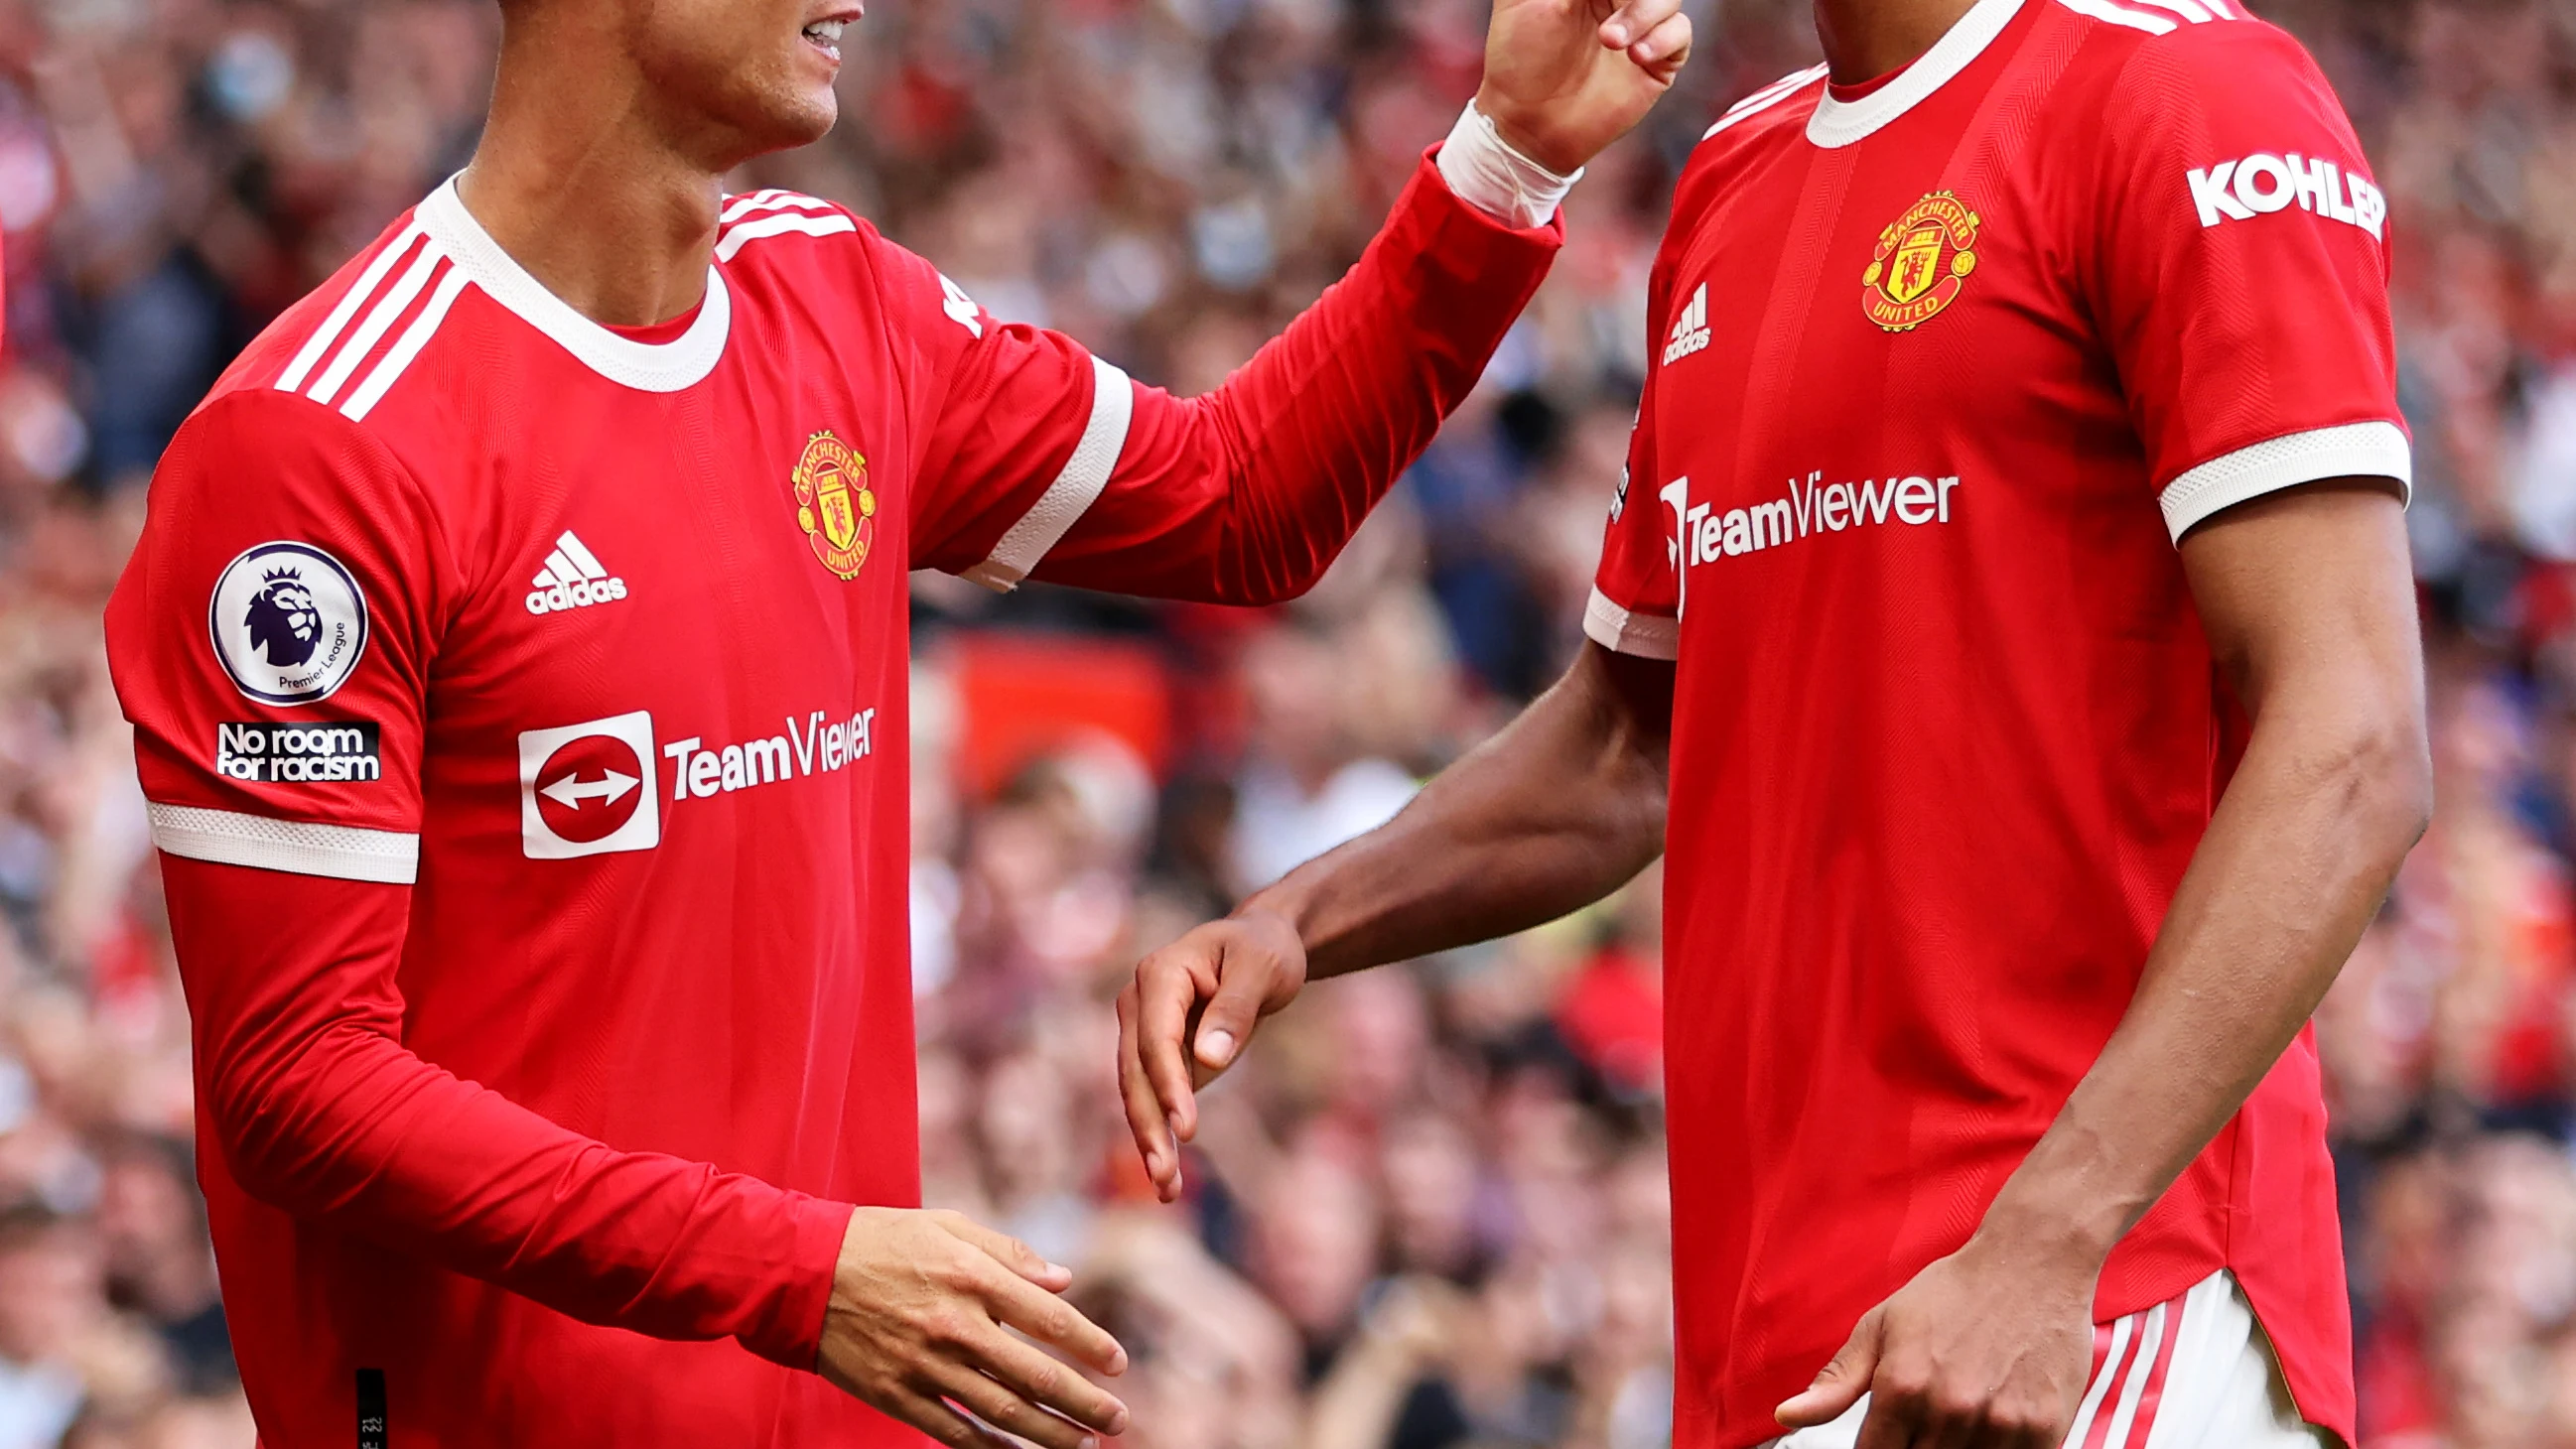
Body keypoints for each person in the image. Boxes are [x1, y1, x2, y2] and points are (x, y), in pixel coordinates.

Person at [98, 0, 1696, 1443]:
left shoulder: (832, 296)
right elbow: (298, 1083)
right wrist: (799, 1272)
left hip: (843, 1390)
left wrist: (1501, 165)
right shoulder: (317, 446)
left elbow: (1240, 506)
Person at [1117, 0, 2430, 1442]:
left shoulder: (2187, 88)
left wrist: (2047, 1239)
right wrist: (1300, 917)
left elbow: (2353, 739)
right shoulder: (1733, 172)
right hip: (1775, 1334)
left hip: (2088, 1308)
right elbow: (1627, 741)